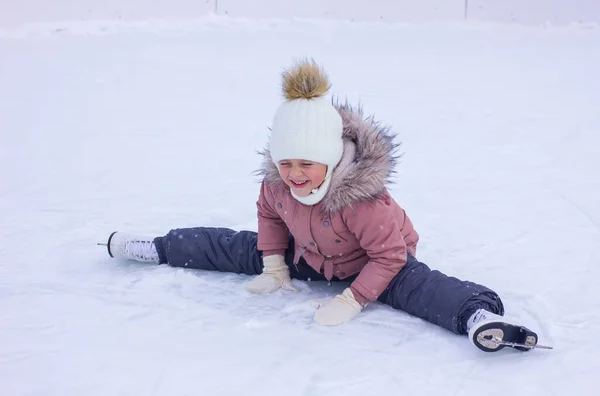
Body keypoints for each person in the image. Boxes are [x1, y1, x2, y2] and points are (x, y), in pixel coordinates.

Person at [101, 59, 547, 353]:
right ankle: (156, 247)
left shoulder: (364, 201)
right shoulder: (278, 183)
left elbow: (389, 256)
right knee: (234, 247)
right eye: (286, 162)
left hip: (371, 261)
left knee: (416, 286)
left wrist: (353, 298)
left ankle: (477, 317)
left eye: (307, 163)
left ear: (332, 160)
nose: (296, 174)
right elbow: (269, 216)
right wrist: (275, 265)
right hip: (309, 253)